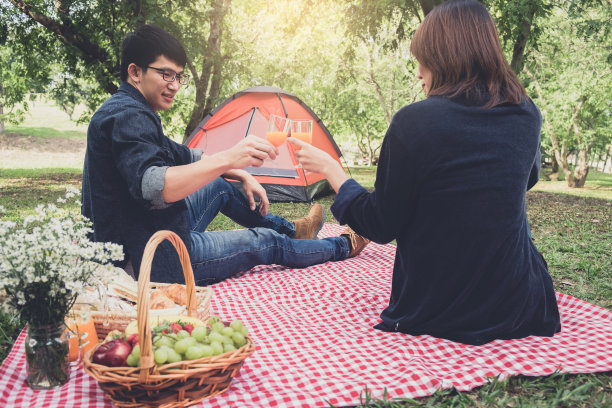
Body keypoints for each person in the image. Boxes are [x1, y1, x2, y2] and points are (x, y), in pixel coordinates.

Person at [289, 0, 561, 345]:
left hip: (440, 308)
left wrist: (333, 171)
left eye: (423, 59)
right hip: (523, 303)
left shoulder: (415, 122)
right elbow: (526, 178)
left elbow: (380, 225)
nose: (418, 71)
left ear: (446, 58)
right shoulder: (527, 113)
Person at [81, 24, 369, 285]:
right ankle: (342, 245)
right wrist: (230, 158)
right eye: (166, 74)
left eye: (179, 76)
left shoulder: (129, 109)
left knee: (218, 184)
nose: (175, 85)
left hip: (152, 230)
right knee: (266, 242)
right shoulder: (128, 116)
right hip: (150, 259)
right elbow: (155, 187)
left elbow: (183, 154)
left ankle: (296, 230)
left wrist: (237, 171)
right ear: (135, 72)